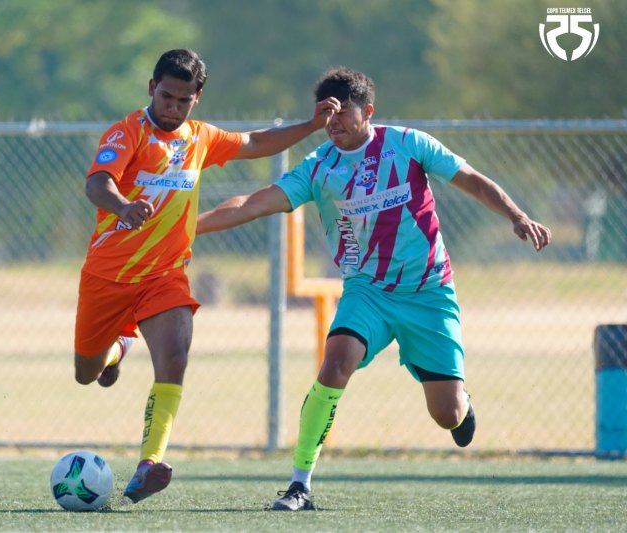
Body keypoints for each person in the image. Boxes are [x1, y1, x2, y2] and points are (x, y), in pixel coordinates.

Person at [196, 66, 552, 511]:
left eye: (343, 112)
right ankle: (299, 484)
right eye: (326, 114)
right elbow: (251, 203)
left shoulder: (409, 144)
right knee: (335, 363)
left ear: (368, 111)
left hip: (428, 291)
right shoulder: (319, 167)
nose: (334, 122)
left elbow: (472, 180)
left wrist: (517, 215)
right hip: (368, 292)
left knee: (448, 415)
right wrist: (187, 228)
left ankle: (461, 400)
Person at [74, 48, 340, 504]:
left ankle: (148, 464)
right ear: (151, 88)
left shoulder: (200, 137)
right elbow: (97, 183)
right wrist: (122, 206)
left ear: (196, 99)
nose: (172, 107)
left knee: (175, 357)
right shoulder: (127, 132)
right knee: (86, 372)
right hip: (108, 277)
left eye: (183, 100)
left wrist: (312, 125)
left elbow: (255, 143)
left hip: (165, 275)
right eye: (166, 96)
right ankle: (117, 349)